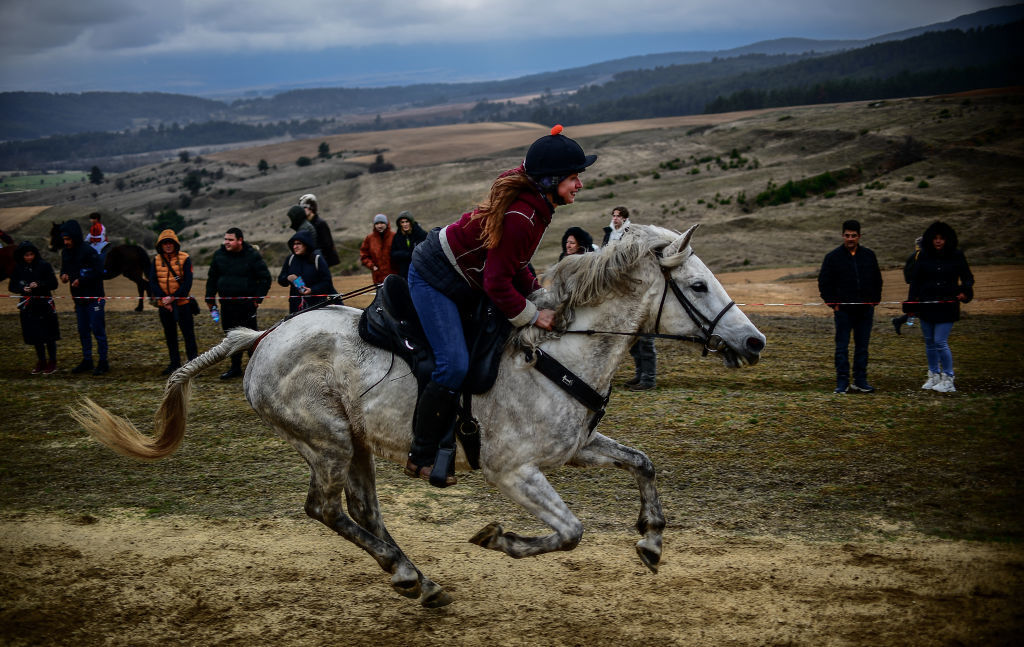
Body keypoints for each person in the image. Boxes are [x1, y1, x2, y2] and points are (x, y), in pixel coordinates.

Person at [405, 124, 596, 485]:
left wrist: (537, 292)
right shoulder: (522, 217)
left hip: (465, 275)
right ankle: (421, 454)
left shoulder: (537, 205)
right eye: (574, 177)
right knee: (453, 365)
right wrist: (533, 314)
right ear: (551, 179)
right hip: (435, 278)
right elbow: (495, 281)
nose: (579, 184)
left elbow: (513, 262)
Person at [905, 221, 974, 393]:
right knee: (929, 342)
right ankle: (934, 375)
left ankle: (949, 378)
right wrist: (911, 303)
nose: (938, 241)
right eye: (935, 238)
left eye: (941, 238)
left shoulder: (956, 255)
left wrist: (965, 292)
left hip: (947, 305)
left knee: (940, 341)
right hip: (926, 306)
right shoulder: (923, 256)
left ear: (947, 239)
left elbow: (968, 278)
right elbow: (915, 281)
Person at [818, 219, 883, 394]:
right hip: (843, 312)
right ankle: (842, 383)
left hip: (865, 311)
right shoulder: (832, 257)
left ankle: (860, 381)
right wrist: (834, 304)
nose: (850, 239)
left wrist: (874, 301)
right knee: (842, 348)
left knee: (862, 348)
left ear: (859, 236)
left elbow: (877, 280)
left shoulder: (869, 256)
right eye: (847, 235)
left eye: (854, 236)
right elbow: (824, 283)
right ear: (842, 236)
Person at [205, 228, 272, 379]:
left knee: (250, 336)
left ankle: (257, 370)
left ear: (240, 240)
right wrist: (210, 298)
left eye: (230, 240)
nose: (226, 242)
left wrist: (257, 299)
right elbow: (212, 279)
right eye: (225, 239)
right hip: (227, 305)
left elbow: (265, 278)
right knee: (231, 336)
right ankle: (235, 368)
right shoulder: (219, 256)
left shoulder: (252, 255)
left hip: (247, 305)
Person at [60, 219, 109, 375]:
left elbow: (100, 271)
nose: (66, 242)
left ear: (75, 237)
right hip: (79, 299)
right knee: (83, 330)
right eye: (64, 239)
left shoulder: (88, 251)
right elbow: (63, 269)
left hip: (95, 297)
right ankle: (87, 360)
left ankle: (103, 362)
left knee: (98, 330)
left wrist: (82, 280)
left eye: (68, 239)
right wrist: (64, 276)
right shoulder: (65, 252)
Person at [149, 229, 198, 375]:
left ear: (176, 244)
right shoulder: (156, 260)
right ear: (160, 245)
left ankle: (193, 364)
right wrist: (164, 299)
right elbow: (152, 281)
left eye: (171, 242)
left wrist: (173, 297)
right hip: (164, 306)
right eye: (165, 243)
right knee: (170, 336)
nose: (168, 245)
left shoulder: (185, 258)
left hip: (183, 305)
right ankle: (174, 364)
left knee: (188, 335)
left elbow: (187, 283)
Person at [9, 241, 60, 374]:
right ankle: (41, 361)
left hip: (44, 304)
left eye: (31, 254)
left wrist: (40, 284)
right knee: (35, 334)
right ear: (21, 256)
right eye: (26, 255)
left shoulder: (44, 265)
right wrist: (22, 288)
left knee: (48, 334)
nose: (29, 257)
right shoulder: (18, 268)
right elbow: (12, 286)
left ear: (35, 254)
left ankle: (52, 362)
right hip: (29, 306)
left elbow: (54, 284)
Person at [277, 229, 335, 314]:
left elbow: (327, 282)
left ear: (306, 244)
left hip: (316, 306)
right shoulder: (290, 259)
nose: (295, 247)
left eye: (298, 244)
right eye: (294, 244)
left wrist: (312, 290)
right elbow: (281, 280)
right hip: (295, 306)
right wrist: (288, 278)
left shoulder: (317, 259)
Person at [299, 193, 340, 267]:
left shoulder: (320, 223)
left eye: (304, 207)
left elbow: (327, 244)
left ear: (311, 208)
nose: (302, 210)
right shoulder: (305, 224)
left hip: (320, 259)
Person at [390, 210, 427, 279]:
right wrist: (407, 254)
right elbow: (393, 254)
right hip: (404, 273)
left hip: (420, 271)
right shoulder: (397, 237)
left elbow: (425, 251)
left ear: (411, 222)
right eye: (402, 222)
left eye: (407, 222)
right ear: (399, 224)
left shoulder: (421, 234)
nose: (405, 224)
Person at [359, 213, 395, 284]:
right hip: (378, 278)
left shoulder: (394, 236)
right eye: (377, 223)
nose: (379, 226)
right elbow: (364, 255)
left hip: (393, 276)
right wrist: (372, 266)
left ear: (387, 224)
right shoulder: (369, 238)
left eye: (382, 223)